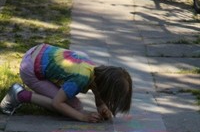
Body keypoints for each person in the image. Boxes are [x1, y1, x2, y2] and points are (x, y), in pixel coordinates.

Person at [0, 44, 132, 122]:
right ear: (105, 89)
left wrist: (102, 107)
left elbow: (98, 93)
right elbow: (57, 103)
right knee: (75, 107)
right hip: (31, 70)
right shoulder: (80, 78)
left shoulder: (95, 72)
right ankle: (20, 95)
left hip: (38, 51)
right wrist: (82, 117)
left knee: (70, 103)